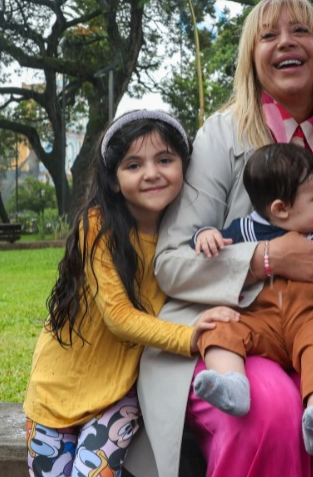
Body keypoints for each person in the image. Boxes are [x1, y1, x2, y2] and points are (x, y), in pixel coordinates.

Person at [123, 0, 313, 477]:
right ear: (251, 58)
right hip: (237, 333)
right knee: (268, 409)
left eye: (300, 31)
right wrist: (265, 259)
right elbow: (170, 261)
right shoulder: (221, 136)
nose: (285, 43)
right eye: (268, 35)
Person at [23, 111, 238, 476]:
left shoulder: (186, 235)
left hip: (120, 396)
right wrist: (190, 336)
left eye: (165, 160)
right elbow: (119, 317)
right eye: (134, 164)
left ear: (186, 168)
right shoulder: (96, 227)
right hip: (55, 391)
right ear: (113, 179)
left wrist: (205, 235)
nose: (152, 173)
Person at [190, 143, 313, 456]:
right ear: (281, 208)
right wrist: (204, 235)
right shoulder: (243, 229)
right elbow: (207, 243)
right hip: (259, 319)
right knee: (220, 327)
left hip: (309, 318)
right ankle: (233, 384)